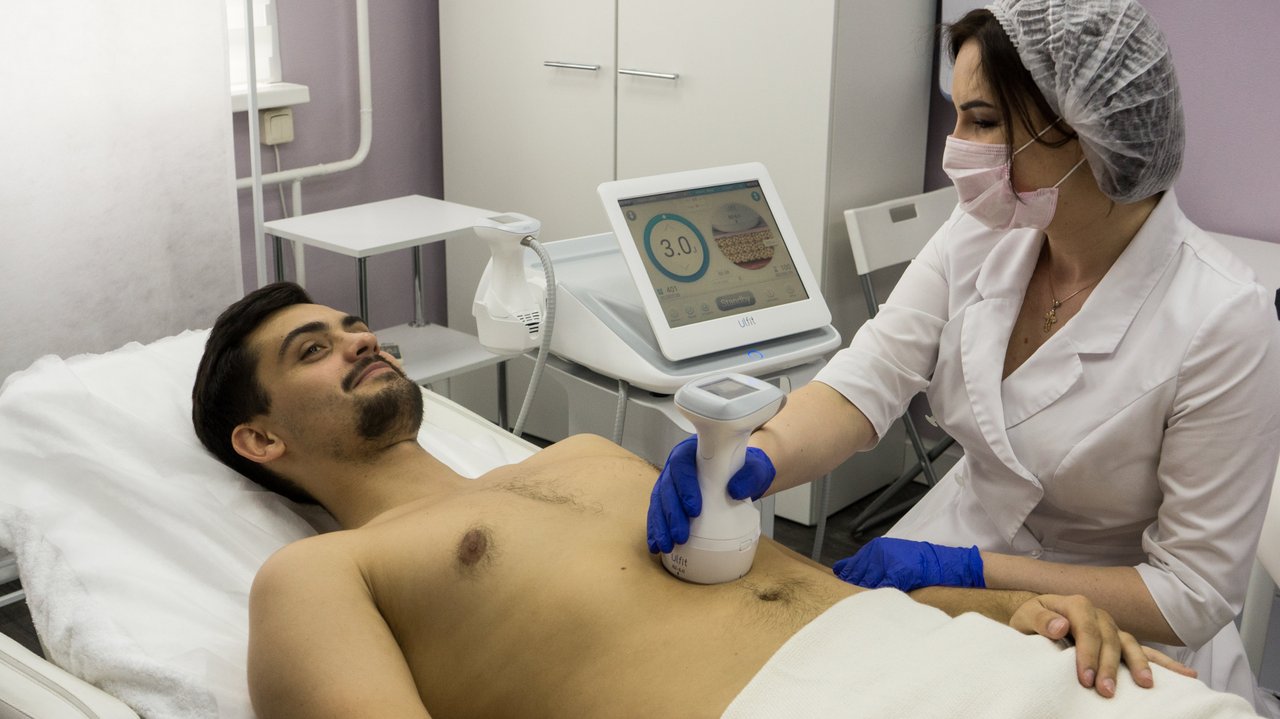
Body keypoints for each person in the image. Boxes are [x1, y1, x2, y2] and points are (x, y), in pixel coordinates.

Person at [646, 0, 1280, 713]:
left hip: (1108, 631)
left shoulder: (1223, 318)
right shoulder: (987, 228)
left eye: (981, 121)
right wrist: (759, 455)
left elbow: (1191, 591)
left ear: (1085, 129)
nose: (955, 147)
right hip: (951, 562)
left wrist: (972, 571)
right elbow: (868, 379)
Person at [190, 283, 1215, 719]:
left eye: (355, 326)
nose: (359, 341)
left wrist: (1007, 607)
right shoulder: (317, 574)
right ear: (261, 438)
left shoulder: (584, 453)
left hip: (956, 663)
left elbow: (807, 585)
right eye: (313, 348)